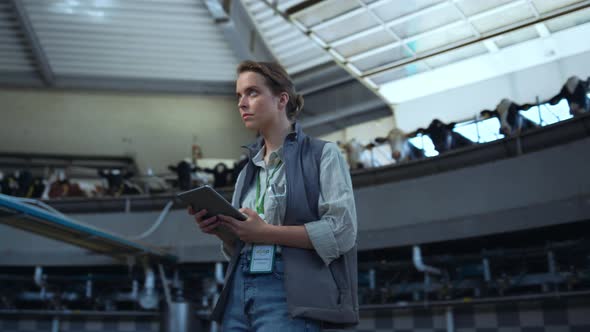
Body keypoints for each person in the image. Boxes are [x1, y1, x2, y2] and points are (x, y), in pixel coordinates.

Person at [188, 60, 358, 331]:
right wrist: (221, 230)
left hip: (291, 293)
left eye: (252, 92)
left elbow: (342, 232)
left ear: (281, 100)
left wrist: (265, 233)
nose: (242, 103)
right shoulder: (247, 172)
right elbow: (241, 242)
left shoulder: (323, 155)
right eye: (239, 96)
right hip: (238, 290)